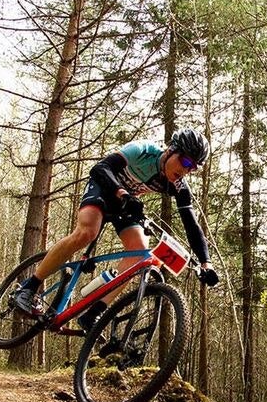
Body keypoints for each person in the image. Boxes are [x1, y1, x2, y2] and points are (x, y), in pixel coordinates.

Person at [11, 128, 220, 328]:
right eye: (184, 161)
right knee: (86, 233)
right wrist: (122, 193)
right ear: (171, 150)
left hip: (126, 204)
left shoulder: (179, 186)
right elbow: (100, 168)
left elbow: (191, 225)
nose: (185, 170)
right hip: (103, 188)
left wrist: (205, 263)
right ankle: (29, 287)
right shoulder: (143, 151)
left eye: (192, 168)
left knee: (139, 253)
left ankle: (94, 313)